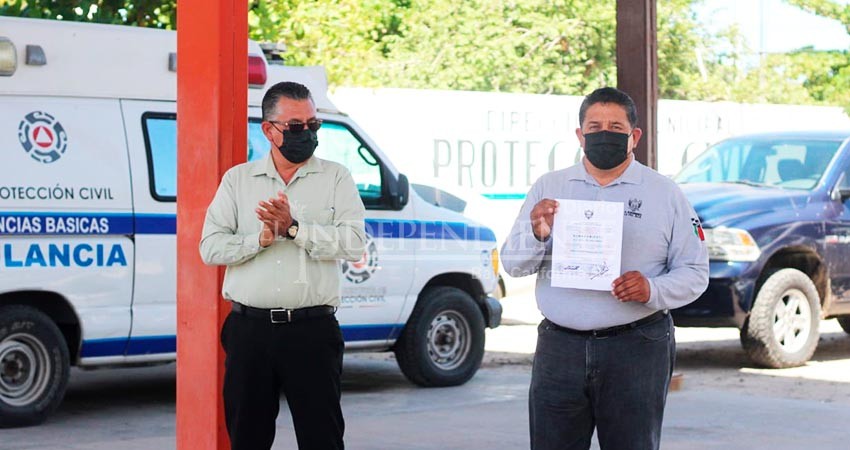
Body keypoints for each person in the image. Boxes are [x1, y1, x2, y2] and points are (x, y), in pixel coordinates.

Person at [500, 87, 709, 450]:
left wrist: (652, 289)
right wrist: (536, 233)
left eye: (615, 126)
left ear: (634, 136)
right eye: (594, 126)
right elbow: (513, 265)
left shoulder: (665, 194)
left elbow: (695, 271)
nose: (604, 133)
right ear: (580, 135)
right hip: (559, 349)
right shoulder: (550, 187)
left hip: (636, 348)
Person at [199, 81, 367, 450]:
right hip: (249, 332)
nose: (306, 134)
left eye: (313, 125)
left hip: (312, 332)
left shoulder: (336, 177)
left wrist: (294, 229)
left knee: (322, 438)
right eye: (295, 127)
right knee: (247, 438)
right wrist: (258, 240)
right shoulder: (238, 181)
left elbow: (355, 243)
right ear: (268, 130)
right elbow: (210, 248)